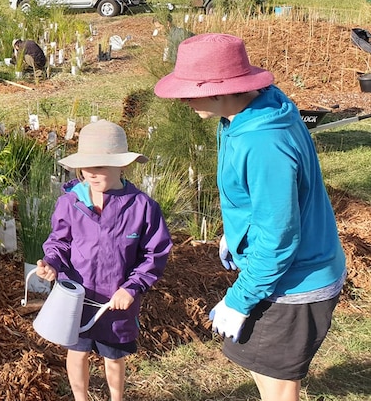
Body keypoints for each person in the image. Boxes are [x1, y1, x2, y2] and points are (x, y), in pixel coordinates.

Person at [154, 33, 346, 401]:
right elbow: (266, 205)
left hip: (294, 282)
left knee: (277, 386)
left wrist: (239, 300)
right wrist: (237, 231)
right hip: (285, 273)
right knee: (260, 366)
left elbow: (279, 239)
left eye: (189, 90)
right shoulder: (249, 112)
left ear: (221, 90)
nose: (181, 99)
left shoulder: (263, 143)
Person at [36, 119, 172, 401]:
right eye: (87, 166)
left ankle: (116, 398)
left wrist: (131, 288)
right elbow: (60, 242)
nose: (92, 174)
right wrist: (51, 262)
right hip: (75, 297)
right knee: (77, 351)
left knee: (113, 357)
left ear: (121, 165)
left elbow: (154, 254)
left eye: (100, 167)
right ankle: (81, 398)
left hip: (116, 299)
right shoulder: (70, 202)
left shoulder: (142, 207)